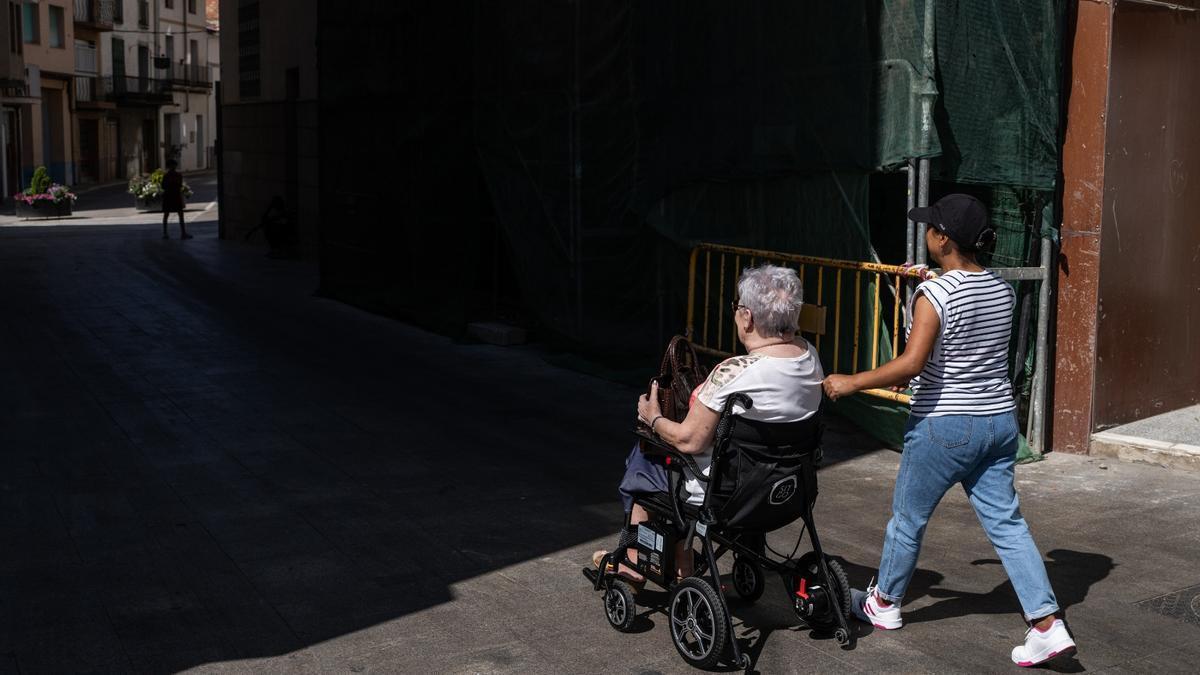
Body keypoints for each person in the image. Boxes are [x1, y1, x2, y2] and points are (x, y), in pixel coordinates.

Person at [822, 194, 1075, 667]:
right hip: (999, 424)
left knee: (908, 519)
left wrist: (850, 382)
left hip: (945, 426)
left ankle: (884, 603)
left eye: (930, 228)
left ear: (941, 239)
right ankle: (1047, 624)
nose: (927, 233)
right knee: (1008, 526)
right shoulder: (999, 289)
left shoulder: (935, 294)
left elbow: (912, 363)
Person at [593, 264, 824, 583]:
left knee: (647, 455)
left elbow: (689, 440)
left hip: (730, 494)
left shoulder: (734, 372)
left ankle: (639, 560)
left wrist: (653, 417)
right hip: (790, 487)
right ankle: (678, 555)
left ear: (748, 317)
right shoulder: (809, 356)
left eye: (736, 308)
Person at [161, 160, 191, 240]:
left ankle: (165, 233)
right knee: (179, 214)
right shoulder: (178, 175)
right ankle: (183, 233)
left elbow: (163, 186)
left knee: (167, 214)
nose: (173, 167)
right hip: (175, 196)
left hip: (169, 196)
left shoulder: (166, 176)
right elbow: (180, 185)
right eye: (173, 165)